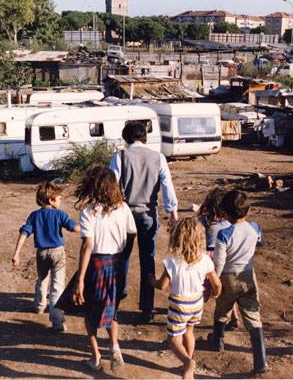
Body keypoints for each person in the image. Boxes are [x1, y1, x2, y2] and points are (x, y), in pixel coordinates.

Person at [109, 121, 179, 324]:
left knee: (122, 258)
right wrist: (172, 213)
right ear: (144, 137)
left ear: (126, 137)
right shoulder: (158, 158)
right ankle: (146, 309)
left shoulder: (120, 157)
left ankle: (116, 302)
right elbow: (167, 187)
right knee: (147, 259)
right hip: (149, 214)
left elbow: (111, 186)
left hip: (125, 215)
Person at [70, 165, 138, 371]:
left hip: (97, 265)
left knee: (89, 311)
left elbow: (88, 245)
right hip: (117, 263)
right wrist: (124, 254)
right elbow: (132, 233)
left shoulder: (89, 210)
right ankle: (115, 346)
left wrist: (80, 279)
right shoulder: (123, 208)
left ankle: (96, 357)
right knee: (112, 307)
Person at [150, 217, 221, 380]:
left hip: (179, 303)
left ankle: (188, 362)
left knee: (173, 339)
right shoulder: (204, 259)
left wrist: (151, 280)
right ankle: (188, 361)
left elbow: (162, 285)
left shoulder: (172, 261)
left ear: (177, 237)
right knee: (189, 332)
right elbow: (216, 283)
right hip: (197, 303)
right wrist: (215, 293)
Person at [207, 190, 269, 374]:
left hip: (228, 277)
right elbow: (261, 243)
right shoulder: (255, 228)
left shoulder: (224, 234)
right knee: (252, 315)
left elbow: (218, 261)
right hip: (248, 276)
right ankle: (261, 360)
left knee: (222, 310)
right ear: (248, 209)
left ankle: (217, 341)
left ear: (224, 213)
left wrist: (215, 281)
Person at [12, 181, 80, 331]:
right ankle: (57, 321)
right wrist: (87, 226)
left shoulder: (34, 216)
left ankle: (39, 306)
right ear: (51, 200)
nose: (61, 201)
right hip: (58, 252)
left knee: (42, 279)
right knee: (57, 286)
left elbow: (24, 233)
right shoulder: (60, 215)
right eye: (59, 198)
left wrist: (16, 253)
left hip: (41, 253)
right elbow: (74, 228)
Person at [198, 188, 242, 330]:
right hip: (226, 257)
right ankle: (235, 317)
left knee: (204, 288)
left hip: (208, 257)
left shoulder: (204, 220)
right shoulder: (230, 221)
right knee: (227, 291)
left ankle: (194, 313)